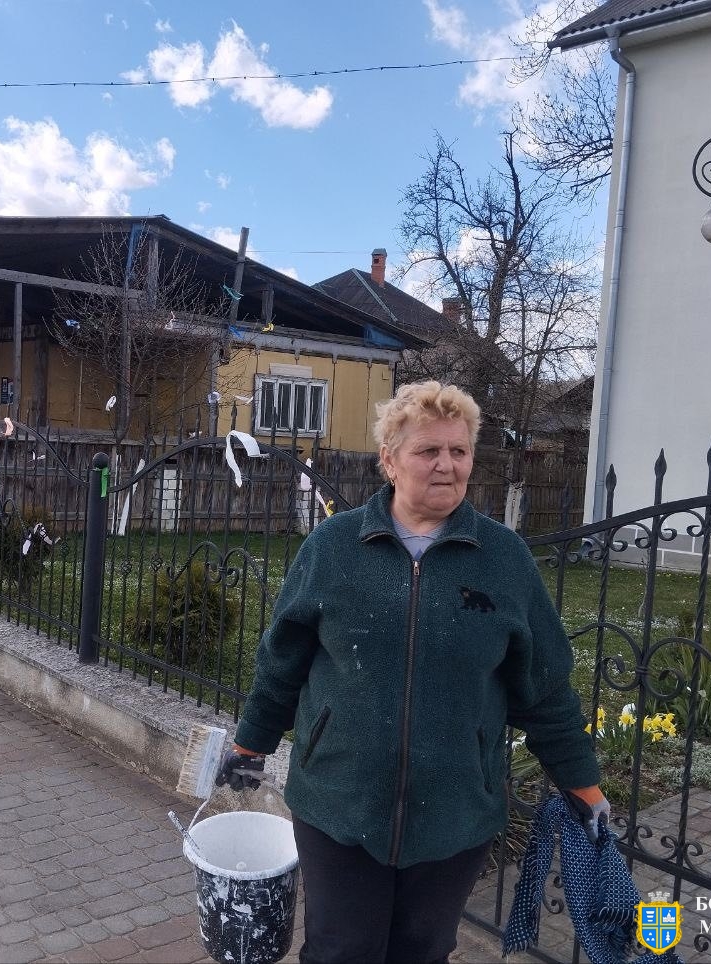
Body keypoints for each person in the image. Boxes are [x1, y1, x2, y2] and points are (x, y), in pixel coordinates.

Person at [217, 380, 609, 964]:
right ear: (390, 460)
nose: (447, 465)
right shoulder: (333, 547)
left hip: (456, 810)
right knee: (340, 952)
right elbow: (282, 661)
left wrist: (583, 785)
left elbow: (546, 689)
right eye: (429, 450)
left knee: (422, 952)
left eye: (459, 450)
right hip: (338, 802)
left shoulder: (504, 560)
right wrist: (251, 743)